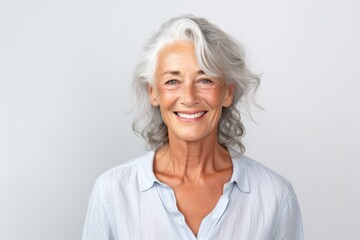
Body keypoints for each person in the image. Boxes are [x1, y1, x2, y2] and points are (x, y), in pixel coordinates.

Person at [82, 15, 303, 240]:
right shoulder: (112, 192)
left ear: (227, 92)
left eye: (205, 80)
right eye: (172, 81)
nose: (188, 97)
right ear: (153, 93)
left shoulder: (275, 195)